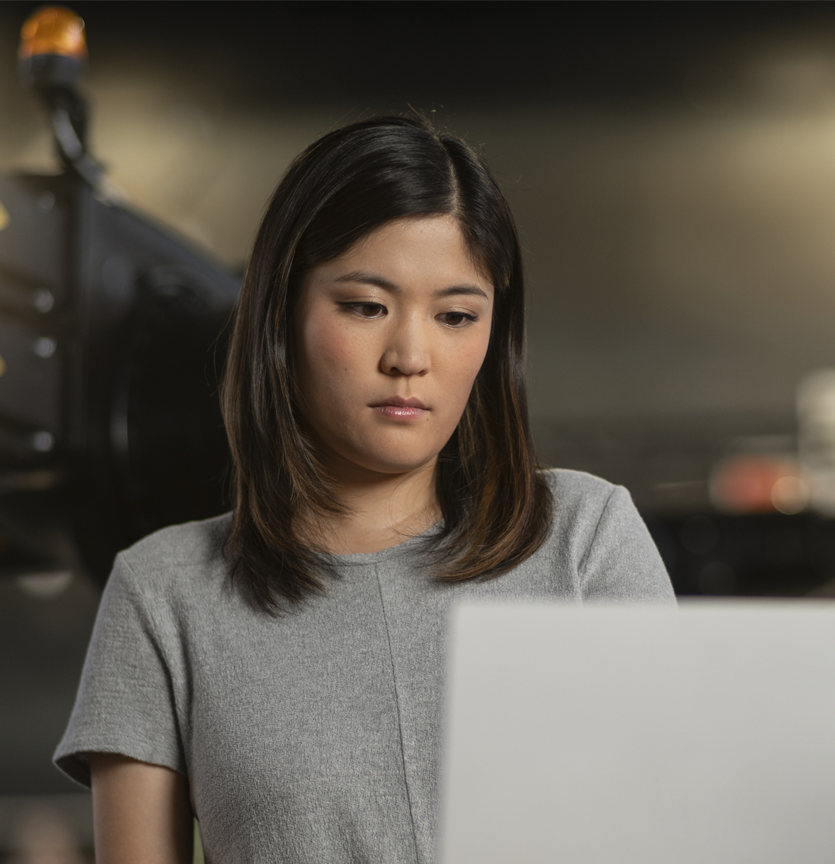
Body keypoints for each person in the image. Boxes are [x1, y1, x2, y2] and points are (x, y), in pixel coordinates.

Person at [53, 115, 675, 864]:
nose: (411, 355)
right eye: (365, 307)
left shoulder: (586, 541)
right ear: (281, 317)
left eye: (455, 316)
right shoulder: (163, 595)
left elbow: (683, 829)